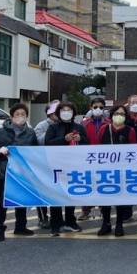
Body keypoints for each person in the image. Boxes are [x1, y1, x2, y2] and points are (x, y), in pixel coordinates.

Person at [0, 103, 39, 241]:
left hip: (22, 172)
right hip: (4, 171)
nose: (20, 117)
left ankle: (21, 226)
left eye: (23, 114)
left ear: (26, 116)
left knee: (21, 199)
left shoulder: (30, 133)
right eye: (17, 114)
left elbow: (35, 150)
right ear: (11, 116)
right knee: (2, 201)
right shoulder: (2, 132)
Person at [45, 101, 90, 236]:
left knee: (71, 194)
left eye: (68, 110)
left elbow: (87, 144)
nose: (66, 113)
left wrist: (80, 139)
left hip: (73, 165)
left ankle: (70, 222)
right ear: (58, 113)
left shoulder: (79, 127)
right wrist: (64, 139)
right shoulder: (53, 127)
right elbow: (48, 143)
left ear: (73, 113)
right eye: (63, 110)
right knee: (56, 194)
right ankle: (55, 224)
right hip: (56, 165)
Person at [98, 105, 137, 237]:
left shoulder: (130, 130)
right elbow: (97, 148)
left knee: (120, 197)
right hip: (105, 169)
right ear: (112, 115)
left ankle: (119, 223)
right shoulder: (104, 129)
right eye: (116, 113)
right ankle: (106, 222)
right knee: (105, 197)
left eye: (122, 114)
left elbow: (134, 150)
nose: (119, 116)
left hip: (122, 170)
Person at [77, 98, 111, 221]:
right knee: (87, 183)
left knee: (103, 183)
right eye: (95, 107)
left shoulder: (108, 123)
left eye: (101, 107)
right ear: (91, 108)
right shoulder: (83, 123)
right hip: (88, 157)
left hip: (103, 158)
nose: (98, 109)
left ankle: (103, 209)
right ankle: (85, 210)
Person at [33, 100, 60, 229]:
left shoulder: (64, 125)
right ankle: (43, 217)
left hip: (59, 163)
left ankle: (57, 218)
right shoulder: (42, 125)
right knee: (42, 191)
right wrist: (51, 131)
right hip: (43, 163)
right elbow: (38, 141)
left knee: (58, 191)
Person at [123, 94, 137, 222]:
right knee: (128, 185)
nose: (135, 105)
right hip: (127, 158)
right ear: (129, 105)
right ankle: (127, 212)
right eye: (133, 102)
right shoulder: (124, 119)